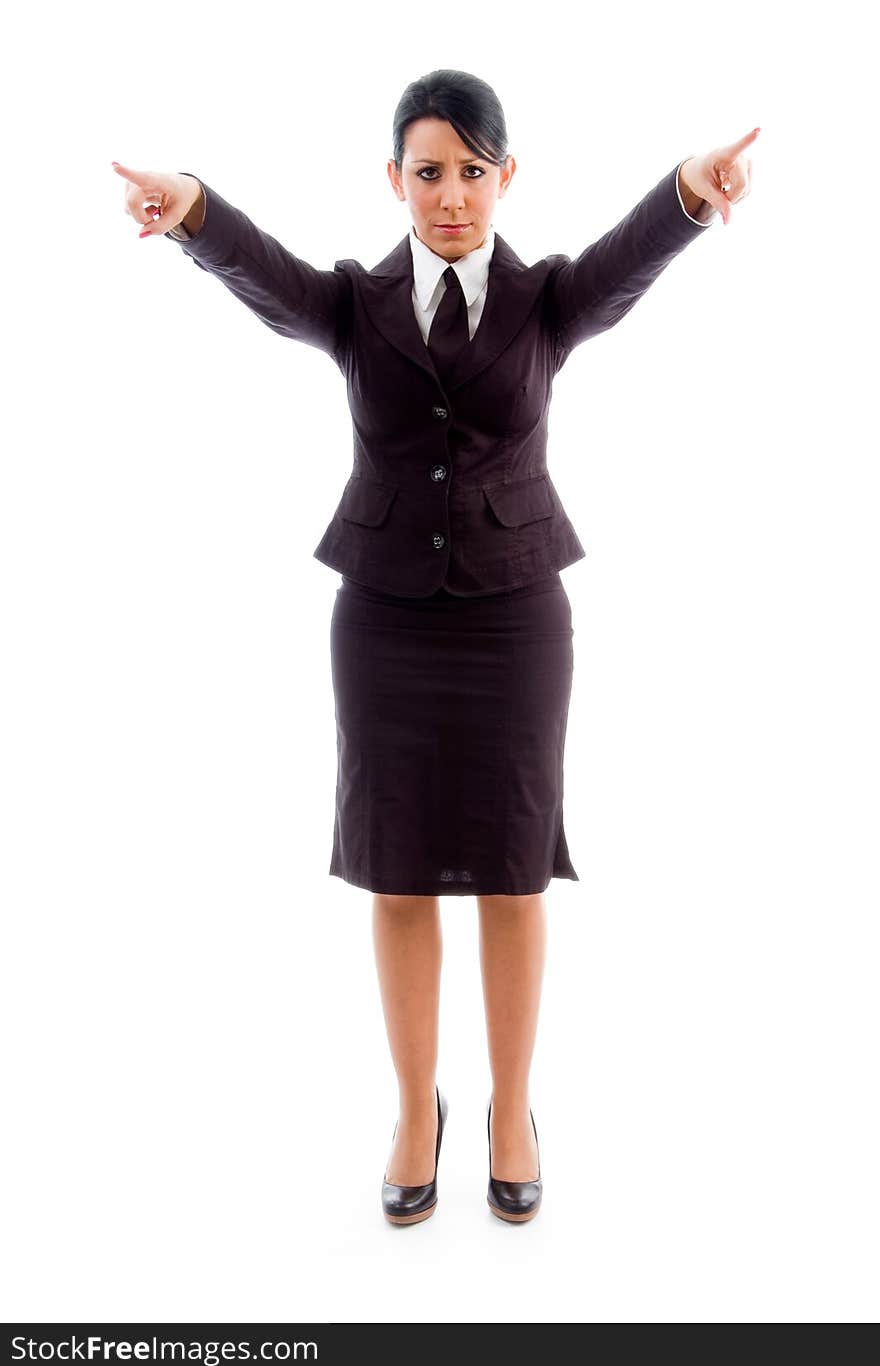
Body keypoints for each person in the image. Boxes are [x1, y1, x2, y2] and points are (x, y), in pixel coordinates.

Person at [113, 68, 757, 1227]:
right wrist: (191, 207)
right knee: (396, 865)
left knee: (516, 867)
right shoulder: (356, 304)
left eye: (472, 171)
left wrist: (690, 195)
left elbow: (625, 261)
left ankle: (513, 1107)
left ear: (506, 177)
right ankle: (418, 1107)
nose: (450, 195)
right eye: (428, 171)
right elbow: (266, 277)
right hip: (383, 617)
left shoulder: (546, 302)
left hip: (517, 614)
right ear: (394, 180)